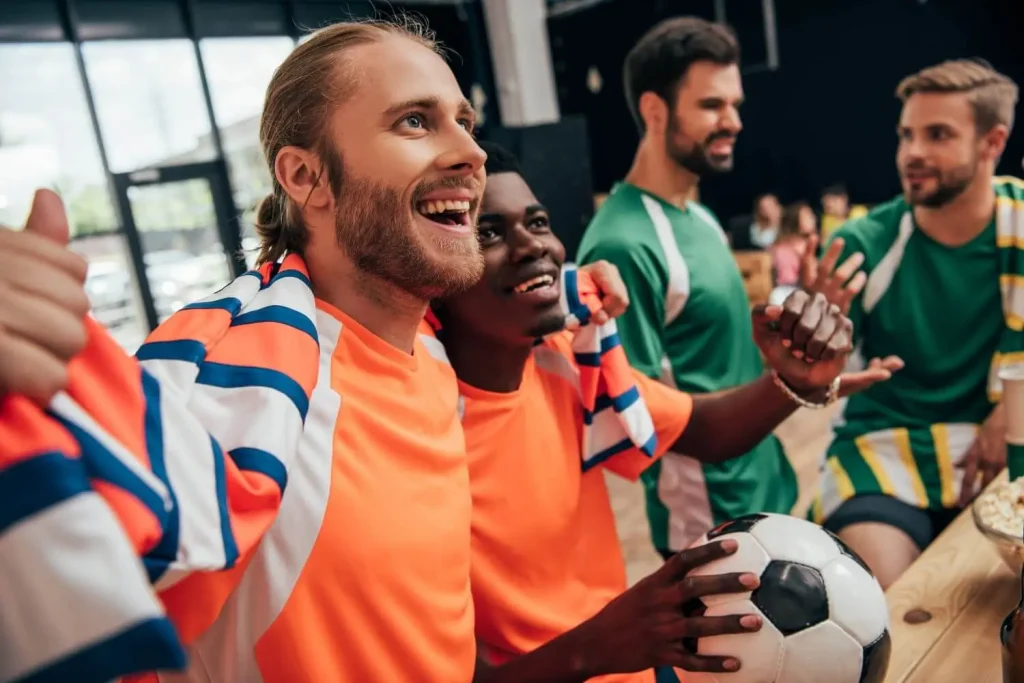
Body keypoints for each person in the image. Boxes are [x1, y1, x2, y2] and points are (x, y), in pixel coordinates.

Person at [0, 18, 654, 683]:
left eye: (464, 122)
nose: (472, 153)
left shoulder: (429, 354)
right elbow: (51, 563)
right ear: (307, 175)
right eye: (414, 123)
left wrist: (577, 284)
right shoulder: (240, 380)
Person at [434, 141, 890, 682]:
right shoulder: (423, 427)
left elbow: (700, 427)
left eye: (538, 222)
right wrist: (600, 645)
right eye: (489, 232)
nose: (534, 245)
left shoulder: (560, 357)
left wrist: (791, 381)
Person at [576, 16, 881, 557]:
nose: (734, 121)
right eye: (713, 105)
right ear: (654, 110)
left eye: (735, 105)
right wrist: (793, 385)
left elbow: (727, 367)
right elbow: (639, 420)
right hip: (714, 527)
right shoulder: (623, 244)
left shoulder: (699, 217)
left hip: (769, 490)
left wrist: (804, 356)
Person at [810, 58, 1023, 589]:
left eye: (938, 135)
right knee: (882, 604)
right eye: (906, 134)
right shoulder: (863, 244)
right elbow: (807, 376)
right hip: (885, 453)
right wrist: (807, 344)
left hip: (1004, 450)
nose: (913, 153)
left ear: (992, 143)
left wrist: (1015, 406)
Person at [771, 201, 818, 286]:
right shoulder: (784, 250)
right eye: (807, 216)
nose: (813, 219)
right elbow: (786, 281)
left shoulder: (810, 245)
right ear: (794, 221)